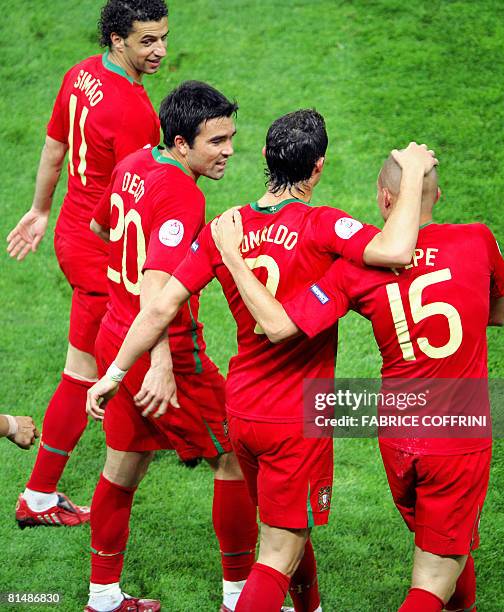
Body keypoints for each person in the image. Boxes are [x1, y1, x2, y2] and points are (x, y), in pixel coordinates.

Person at [87, 108, 437, 612]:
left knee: (288, 530)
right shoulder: (323, 226)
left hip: (243, 411)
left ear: (267, 160)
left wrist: (114, 373)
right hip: (295, 418)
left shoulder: (222, 227)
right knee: (276, 553)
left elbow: (160, 304)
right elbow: (398, 248)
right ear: (317, 168)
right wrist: (412, 176)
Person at [212, 153, 504, 612]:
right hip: (456, 436)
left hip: (397, 438)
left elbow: (279, 324)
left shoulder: (356, 269)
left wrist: (233, 255)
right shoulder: (478, 240)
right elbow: (499, 314)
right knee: (434, 573)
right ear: (439, 196)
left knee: (448, 543)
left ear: (384, 199)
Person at [83, 80, 258, 612]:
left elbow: (99, 225)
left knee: (122, 467)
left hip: (115, 334)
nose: (228, 150)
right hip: (170, 352)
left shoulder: (136, 161)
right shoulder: (184, 193)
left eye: (230, 137)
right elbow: (158, 292)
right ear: (181, 144)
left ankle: (103, 599)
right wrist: (161, 363)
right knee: (235, 458)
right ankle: (238, 597)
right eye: (216, 141)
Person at [7, 0, 169, 528]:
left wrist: (39, 210)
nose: (160, 50)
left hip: (72, 233)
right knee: (94, 368)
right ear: (118, 39)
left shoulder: (80, 74)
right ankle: (41, 493)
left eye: (163, 37)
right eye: (147, 40)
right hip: (103, 249)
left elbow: (55, 147)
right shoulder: (133, 110)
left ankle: (41, 492)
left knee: (87, 366)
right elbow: (136, 194)